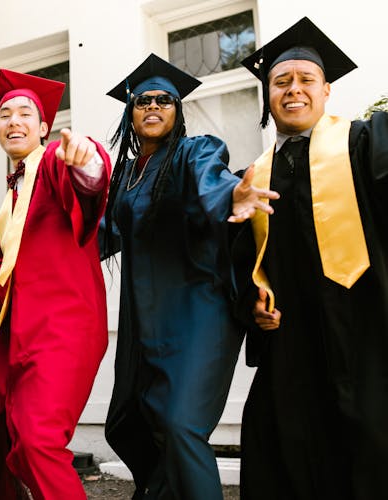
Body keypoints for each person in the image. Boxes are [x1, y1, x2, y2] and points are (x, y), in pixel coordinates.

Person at [100, 54, 277, 500]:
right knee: (141, 423)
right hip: (147, 320)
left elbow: (211, 182)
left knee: (181, 425)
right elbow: (100, 237)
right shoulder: (124, 176)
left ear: (178, 111)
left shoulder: (193, 152)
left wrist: (232, 194)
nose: (153, 106)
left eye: (164, 100)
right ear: (130, 112)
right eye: (143, 101)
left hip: (201, 311)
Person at [231, 16, 388, 500]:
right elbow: (242, 263)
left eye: (306, 80)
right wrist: (253, 306)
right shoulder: (252, 177)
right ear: (268, 96)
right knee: (279, 452)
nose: (293, 90)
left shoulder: (364, 143)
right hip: (290, 346)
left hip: (363, 332)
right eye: (281, 82)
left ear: (326, 92)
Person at [0, 69, 112, 499]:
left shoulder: (56, 162)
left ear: (43, 128)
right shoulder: (10, 200)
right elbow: (3, 268)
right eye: (5, 114)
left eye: (25, 113)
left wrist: (88, 160)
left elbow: (89, 180)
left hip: (62, 328)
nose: (14, 120)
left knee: (37, 441)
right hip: (13, 332)